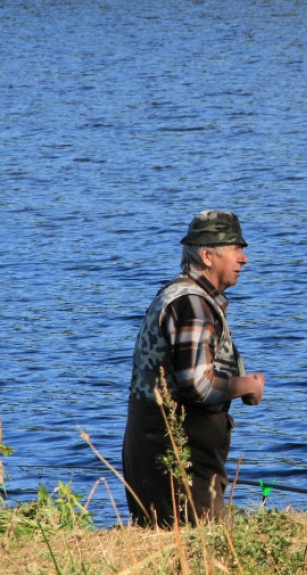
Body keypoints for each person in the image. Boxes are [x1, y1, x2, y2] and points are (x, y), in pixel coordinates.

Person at [121, 210, 265, 526]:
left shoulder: (180, 295)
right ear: (207, 256)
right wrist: (248, 385)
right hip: (176, 444)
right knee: (196, 538)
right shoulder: (193, 305)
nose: (244, 259)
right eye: (235, 249)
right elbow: (198, 385)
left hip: (159, 440)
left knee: (162, 535)